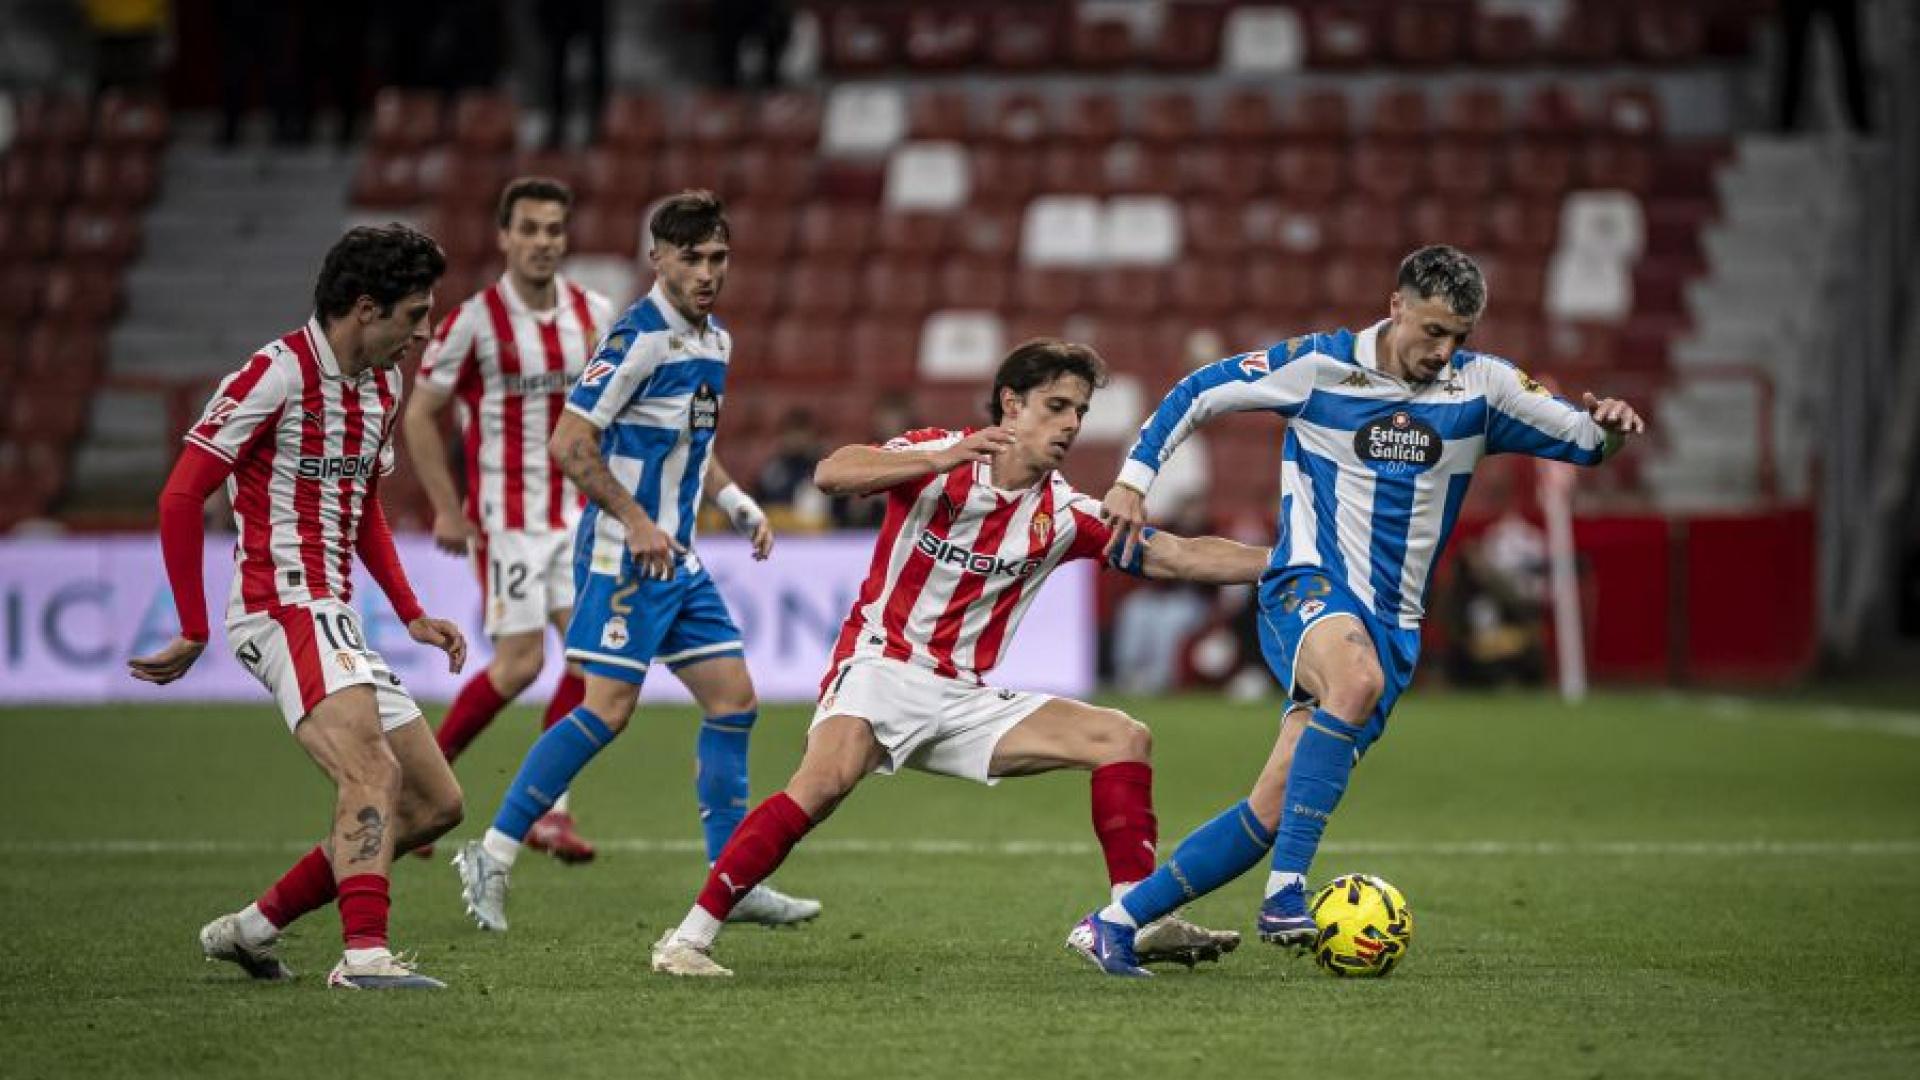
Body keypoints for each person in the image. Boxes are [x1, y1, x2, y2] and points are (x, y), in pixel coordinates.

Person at [1070, 245, 1646, 975]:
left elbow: (1584, 441)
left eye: (1459, 336)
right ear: (1396, 304)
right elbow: (1198, 391)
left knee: (1272, 808)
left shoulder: (1483, 388)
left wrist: (1613, 430)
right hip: (1305, 585)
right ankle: (1287, 892)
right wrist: (1133, 480)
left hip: (1394, 625)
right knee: (1355, 681)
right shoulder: (1317, 367)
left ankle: (1114, 924)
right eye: (1433, 330)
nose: (1444, 351)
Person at [649, 339, 1270, 978]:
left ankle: (1133, 918)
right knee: (823, 783)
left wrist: (1288, 564)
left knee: (1121, 737)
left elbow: (1176, 554)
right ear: (1010, 403)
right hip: (879, 666)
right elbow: (832, 472)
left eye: (1078, 412)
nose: (1069, 424)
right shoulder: (938, 454)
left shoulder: (1063, 515)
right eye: (1055, 406)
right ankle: (687, 941)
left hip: (963, 698)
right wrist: (938, 456)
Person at [451, 191, 819, 932]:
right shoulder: (637, 338)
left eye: (719, 258)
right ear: (659, 260)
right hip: (625, 557)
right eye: (692, 259)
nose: (708, 272)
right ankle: (492, 852)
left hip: (676, 560)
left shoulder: (715, 342)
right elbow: (569, 444)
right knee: (607, 710)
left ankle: (731, 882)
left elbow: (693, 448)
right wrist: (636, 520)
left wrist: (741, 504)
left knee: (734, 701)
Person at [129, 224, 468, 990]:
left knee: (436, 803)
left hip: (333, 613)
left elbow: (363, 504)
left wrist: (410, 610)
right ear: (365, 307)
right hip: (278, 605)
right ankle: (364, 958)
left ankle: (250, 930)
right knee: (371, 771)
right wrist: (190, 624)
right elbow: (183, 493)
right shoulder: (272, 375)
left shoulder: (384, 385)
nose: (421, 334)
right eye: (413, 316)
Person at [404, 177, 613, 863]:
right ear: (504, 236)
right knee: (522, 664)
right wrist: (446, 505)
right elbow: (420, 415)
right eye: (529, 229)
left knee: (591, 663)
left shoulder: (595, 314)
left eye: (554, 229)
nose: (543, 242)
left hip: (578, 517)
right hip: (509, 519)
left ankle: (550, 812)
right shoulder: (473, 322)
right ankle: (421, 780)